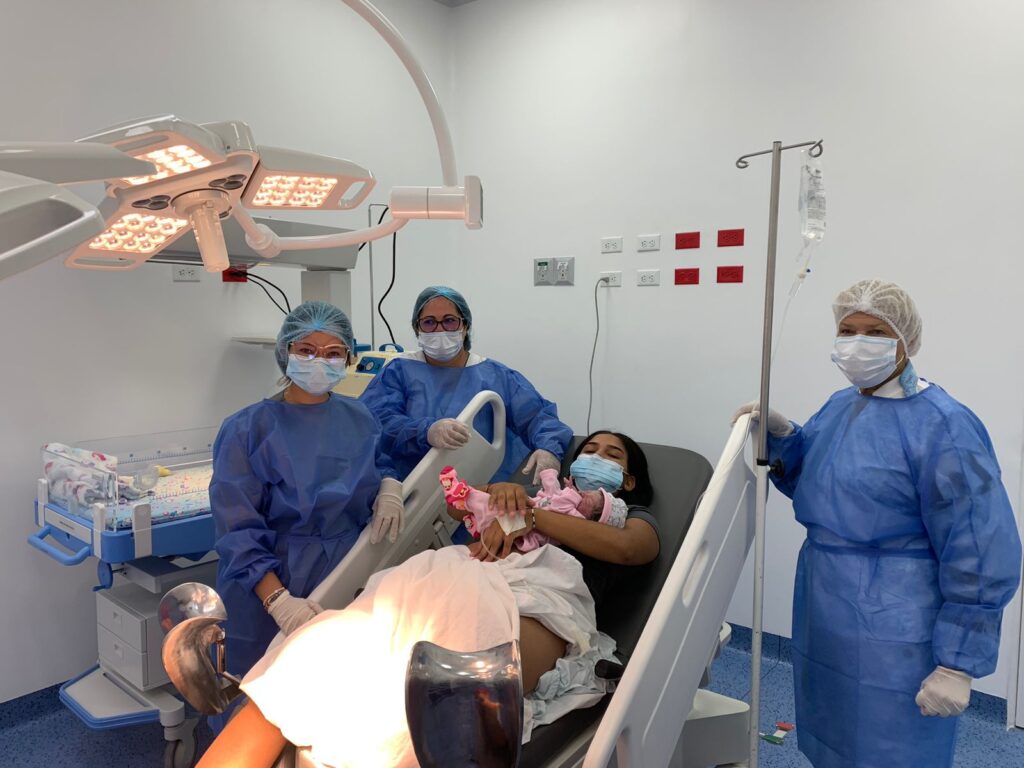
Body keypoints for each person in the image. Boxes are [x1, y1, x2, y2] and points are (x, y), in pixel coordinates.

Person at [195, 430, 659, 768]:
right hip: (458, 572)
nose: (596, 456)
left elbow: (629, 550)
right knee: (309, 658)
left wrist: (531, 517)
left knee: (437, 688)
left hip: (541, 600)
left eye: (611, 454)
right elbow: (464, 511)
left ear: (629, 480)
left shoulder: (629, 515)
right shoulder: (538, 495)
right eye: (589, 450)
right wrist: (503, 496)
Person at [732, 279, 1022, 768]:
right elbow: (817, 484)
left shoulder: (943, 424)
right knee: (831, 732)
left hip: (899, 619)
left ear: (904, 340)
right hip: (823, 602)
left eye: (875, 331)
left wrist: (958, 663)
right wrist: (784, 439)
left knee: (892, 745)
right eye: (847, 330)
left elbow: (978, 545)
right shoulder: (841, 405)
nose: (857, 343)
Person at [209, 301, 404, 724]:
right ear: (286, 352)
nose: (320, 361)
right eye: (307, 350)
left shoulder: (360, 416)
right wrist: (278, 601)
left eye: (333, 353)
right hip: (273, 583)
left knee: (334, 699)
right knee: (262, 699)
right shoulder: (247, 429)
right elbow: (238, 531)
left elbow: (378, 463)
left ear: (348, 358)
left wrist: (390, 485)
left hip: (347, 571)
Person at [361, 285, 573, 484]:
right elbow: (375, 423)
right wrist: (426, 432)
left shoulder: (496, 376)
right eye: (429, 322)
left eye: (449, 321)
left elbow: (538, 417)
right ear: (417, 329)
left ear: (465, 326)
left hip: (483, 492)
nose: (439, 329)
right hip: (412, 492)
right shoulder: (399, 371)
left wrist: (549, 449)